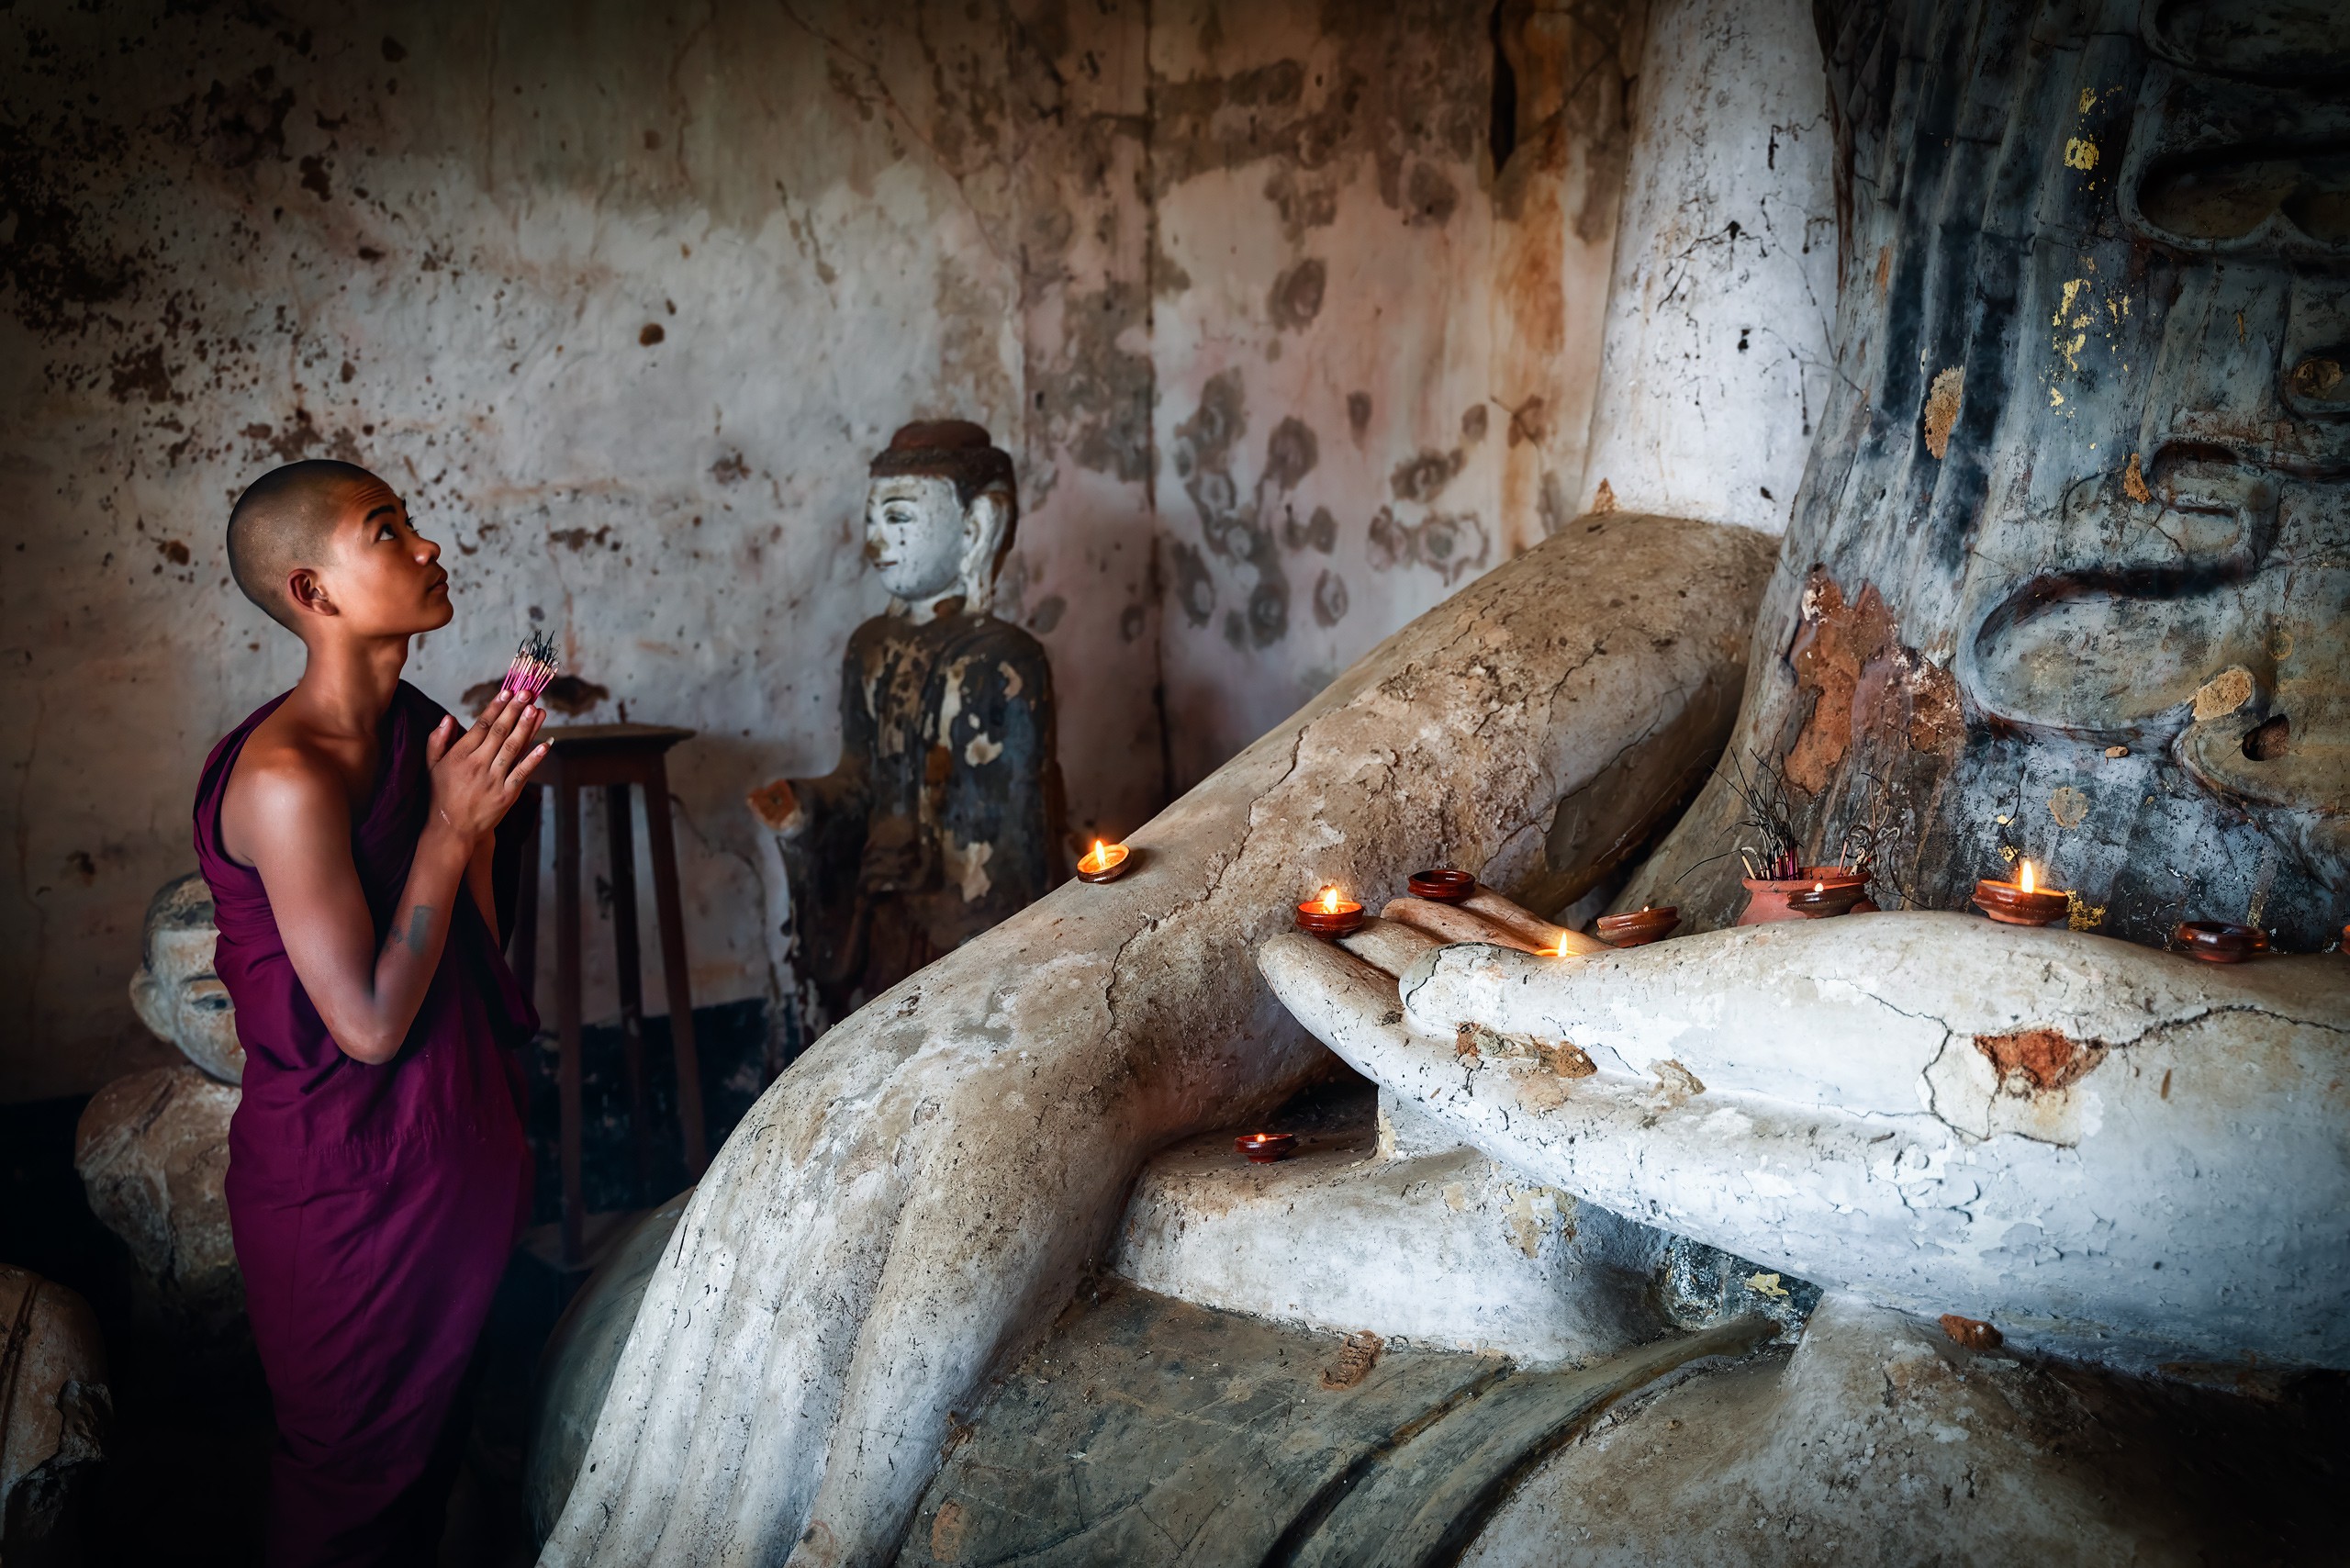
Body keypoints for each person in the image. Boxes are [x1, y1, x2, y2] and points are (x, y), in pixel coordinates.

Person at [194, 458, 546, 1564]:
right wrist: (448, 829)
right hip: (345, 1186)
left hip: (455, 1151)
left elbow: (472, 948)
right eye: (386, 530)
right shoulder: (285, 775)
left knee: (437, 1476)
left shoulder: (420, 729)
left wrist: (478, 818)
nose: (427, 545)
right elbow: (370, 1024)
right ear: (312, 592)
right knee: (349, 1497)